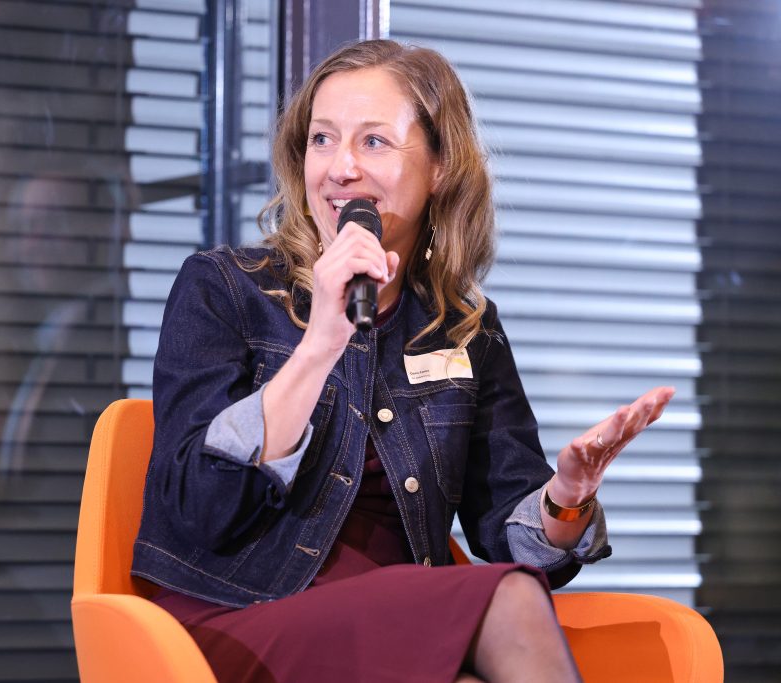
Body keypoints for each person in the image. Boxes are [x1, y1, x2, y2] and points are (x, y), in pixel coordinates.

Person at [132, 39, 674, 683]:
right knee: (507, 597)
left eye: (373, 142)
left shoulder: (464, 327)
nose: (340, 169)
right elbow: (200, 507)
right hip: (239, 612)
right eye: (322, 139)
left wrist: (567, 498)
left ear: (440, 167)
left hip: (396, 620)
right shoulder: (225, 289)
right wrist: (319, 346)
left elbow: (511, 538)